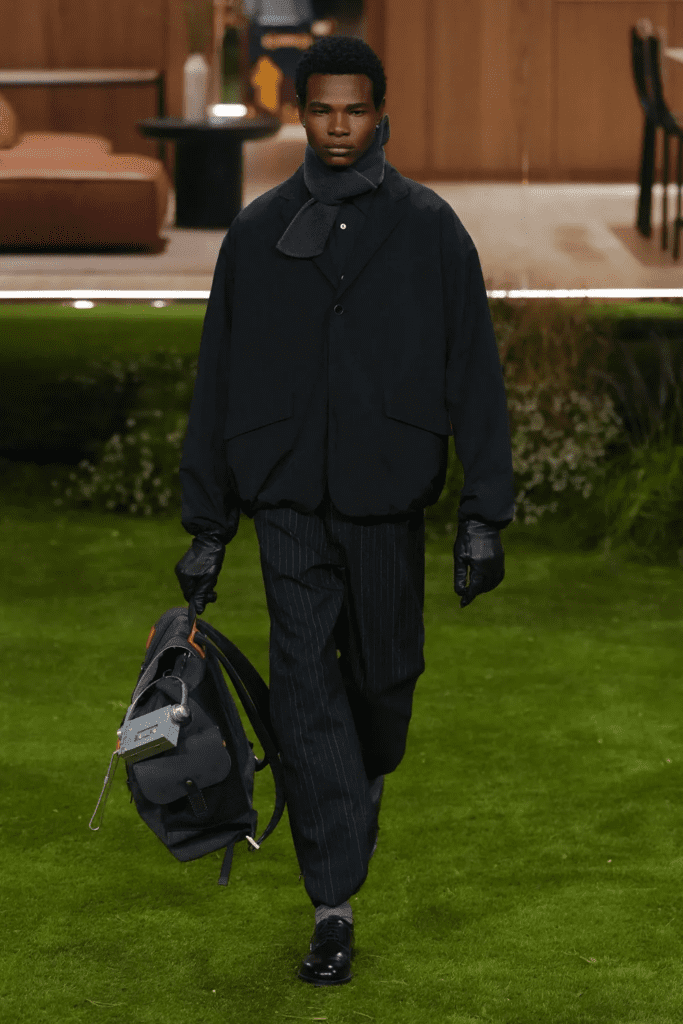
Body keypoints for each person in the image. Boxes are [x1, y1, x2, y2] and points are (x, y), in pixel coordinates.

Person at [174, 35, 515, 987]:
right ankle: (332, 907)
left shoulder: (429, 229)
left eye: (354, 110)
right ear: (301, 113)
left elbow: (473, 373)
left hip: (383, 493)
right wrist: (207, 526)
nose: (337, 127)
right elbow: (217, 379)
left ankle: (350, 789)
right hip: (284, 493)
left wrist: (483, 514)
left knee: (382, 683)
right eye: (322, 109)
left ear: (379, 114)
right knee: (303, 691)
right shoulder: (255, 235)